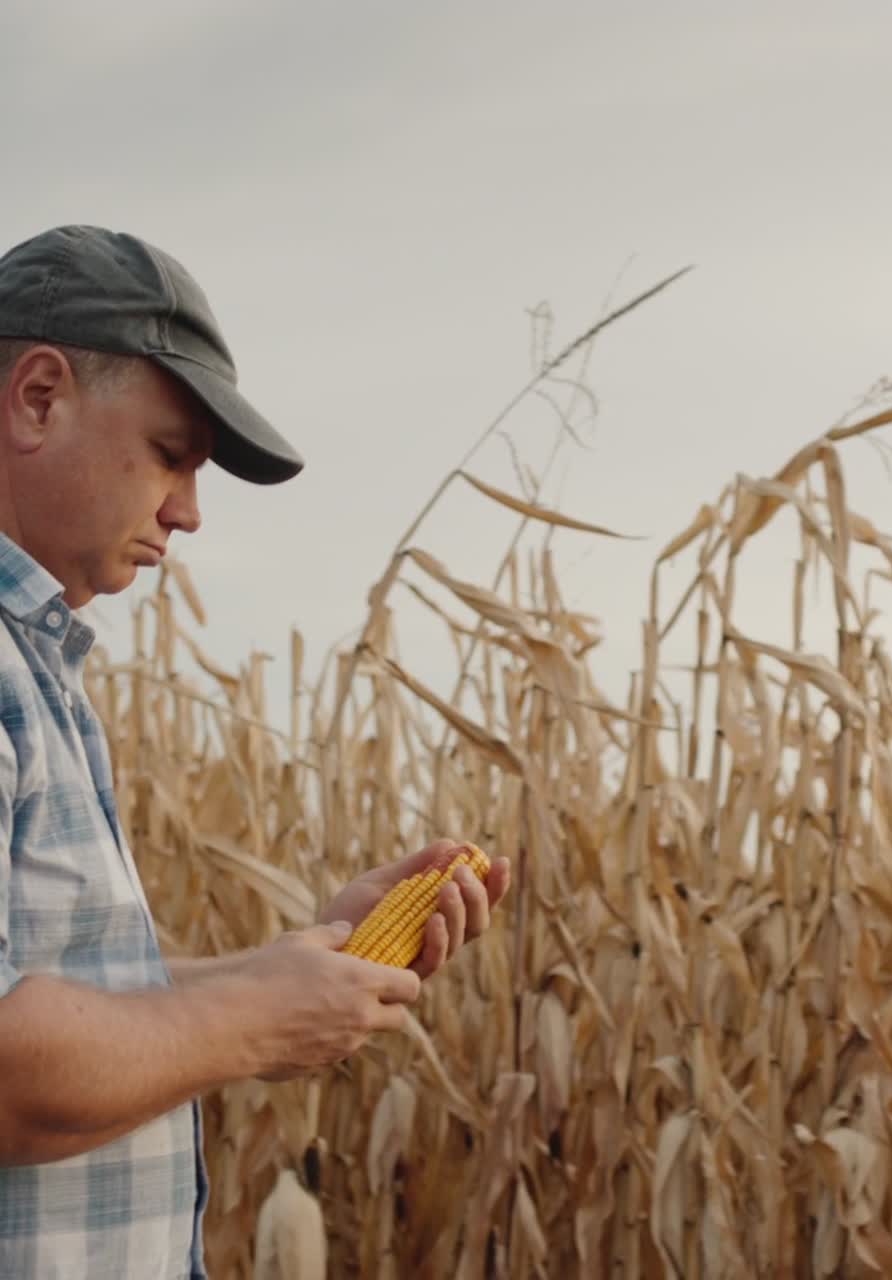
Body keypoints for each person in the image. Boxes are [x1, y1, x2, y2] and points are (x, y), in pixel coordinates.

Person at [0, 225, 512, 1278]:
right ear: (38, 396)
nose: (188, 510)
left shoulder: (36, 664)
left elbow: (54, 989)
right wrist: (252, 1016)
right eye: (172, 453)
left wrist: (304, 955)